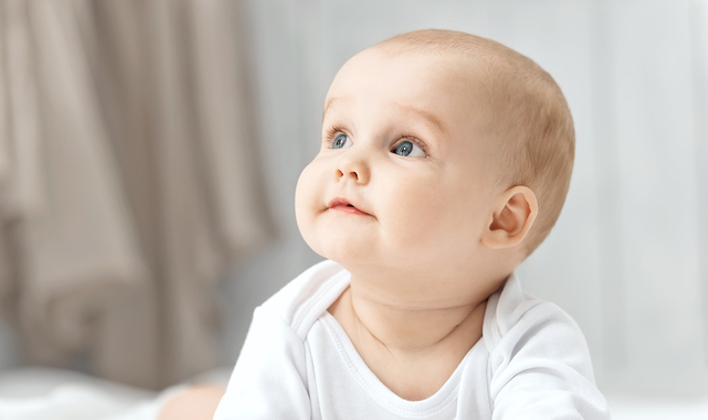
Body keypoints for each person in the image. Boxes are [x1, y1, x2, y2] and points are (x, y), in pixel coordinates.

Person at [159, 28, 609, 419]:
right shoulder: (292, 326)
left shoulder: (531, 343)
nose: (348, 165)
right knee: (193, 410)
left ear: (502, 219)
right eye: (339, 137)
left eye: (405, 147)